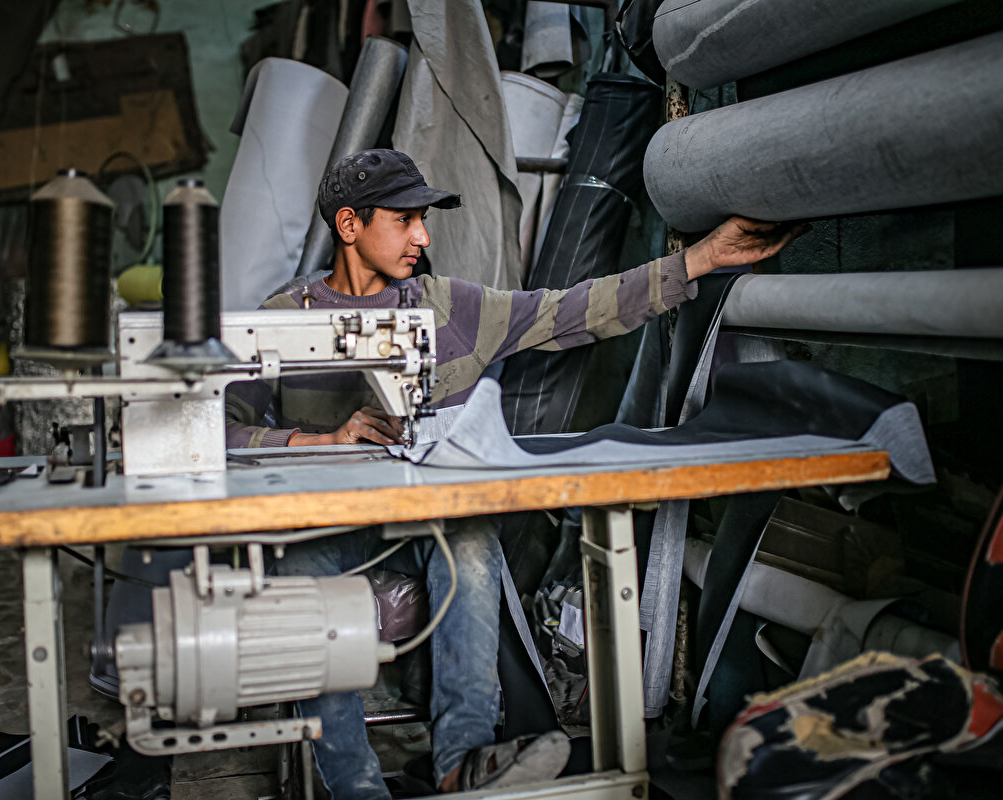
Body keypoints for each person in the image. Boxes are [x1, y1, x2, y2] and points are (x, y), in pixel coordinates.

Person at [225, 149, 807, 797]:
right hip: (328, 525)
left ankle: (461, 759)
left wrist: (696, 261)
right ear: (350, 226)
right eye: (404, 219)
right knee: (306, 579)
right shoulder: (283, 318)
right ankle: (355, 786)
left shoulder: (448, 310)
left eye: (425, 219)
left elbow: (574, 310)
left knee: (471, 544)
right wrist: (319, 440)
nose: (422, 236)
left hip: (418, 523)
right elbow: (222, 430)